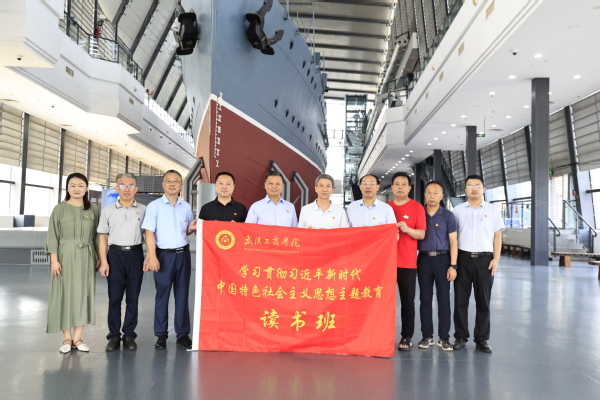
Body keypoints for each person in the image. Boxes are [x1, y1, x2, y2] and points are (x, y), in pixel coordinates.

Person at [142, 170, 197, 350]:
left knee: (182, 295)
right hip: (163, 256)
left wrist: (192, 228)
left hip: (183, 255)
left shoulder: (186, 207)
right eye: (169, 181)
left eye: (176, 181)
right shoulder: (154, 206)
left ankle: (183, 334)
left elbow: (187, 230)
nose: (172, 184)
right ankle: (161, 335)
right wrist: (152, 256)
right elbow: (149, 232)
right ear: (163, 184)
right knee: (162, 295)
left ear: (181, 185)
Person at [46, 172, 100, 353]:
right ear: (67, 188)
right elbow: (52, 236)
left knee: (83, 295)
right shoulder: (59, 209)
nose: (77, 189)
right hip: (65, 257)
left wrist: (100, 257)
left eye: (81, 185)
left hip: (86, 257)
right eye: (73, 185)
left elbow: (98, 236)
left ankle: (78, 338)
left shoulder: (93, 210)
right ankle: (66, 339)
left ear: (86, 188)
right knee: (64, 295)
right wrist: (54, 260)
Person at [452, 175, 505, 353]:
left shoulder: (492, 210)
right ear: (465, 190)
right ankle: (460, 336)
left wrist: (495, 259)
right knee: (460, 300)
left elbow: (497, 236)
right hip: (463, 259)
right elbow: (453, 239)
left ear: (483, 189)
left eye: (477, 185)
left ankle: (482, 339)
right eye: (470, 186)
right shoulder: (457, 211)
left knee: (483, 301)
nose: (473, 189)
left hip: (485, 260)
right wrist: (453, 263)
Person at [97, 173, 146, 352]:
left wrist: (149, 256)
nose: (127, 189)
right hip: (115, 255)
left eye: (131, 185)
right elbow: (103, 237)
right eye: (123, 185)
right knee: (115, 298)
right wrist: (104, 261)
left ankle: (129, 334)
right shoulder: (108, 210)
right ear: (117, 188)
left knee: (133, 297)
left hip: (135, 254)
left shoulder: (144, 210)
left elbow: (149, 235)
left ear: (136, 189)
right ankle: (113, 336)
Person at [416, 181, 458, 352]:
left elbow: (454, 242)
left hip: (443, 260)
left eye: (435, 193)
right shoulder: (419, 214)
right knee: (425, 299)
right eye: (429, 193)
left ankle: (444, 338)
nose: (431, 196)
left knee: (444, 300)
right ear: (424, 195)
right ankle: (427, 336)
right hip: (423, 260)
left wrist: (453, 265)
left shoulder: (448, 216)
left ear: (442, 196)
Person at [387, 172, 426, 351]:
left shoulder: (417, 207)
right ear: (392, 187)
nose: (400, 187)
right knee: (383, 301)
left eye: (404, 184)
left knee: (407, 302)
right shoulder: (385, 207)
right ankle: (383, 335)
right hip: (386, 263)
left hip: (408, 263)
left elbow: (421, 234)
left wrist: (407, 229)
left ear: (409, 188)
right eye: (397, 184)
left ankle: (406, 336)